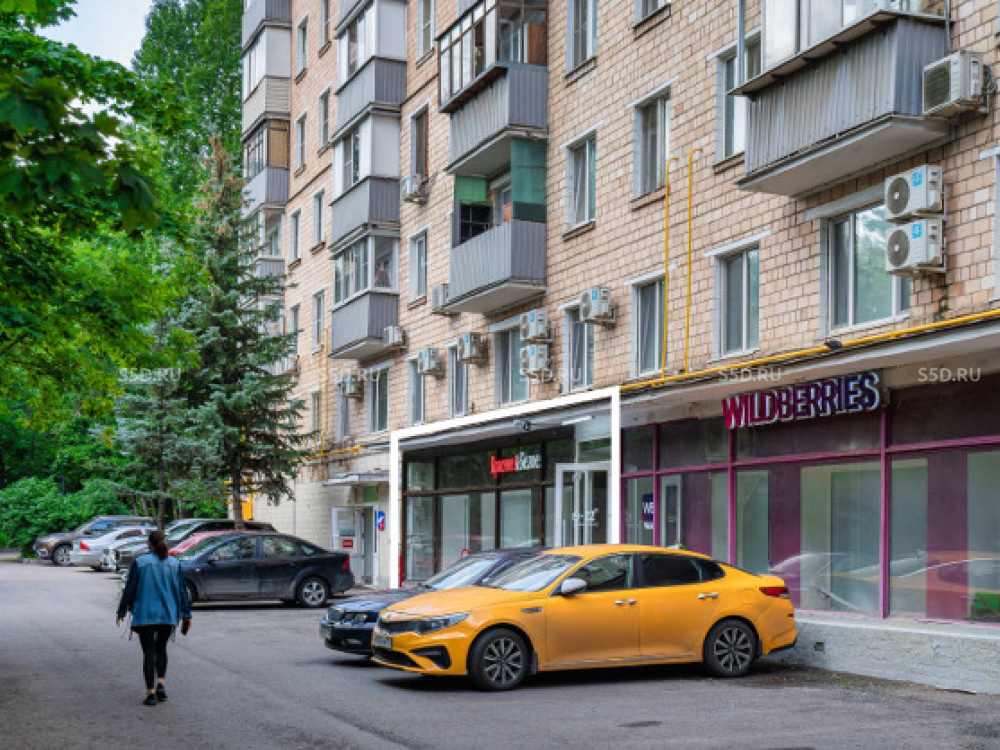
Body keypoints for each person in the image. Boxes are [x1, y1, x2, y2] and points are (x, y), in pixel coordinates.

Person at [116, 530, 192, 706]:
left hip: (145, 615)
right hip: (167, 614)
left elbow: (130, 588)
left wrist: (121, 611)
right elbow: (182, 591)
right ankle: (161, 685)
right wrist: (186, 616)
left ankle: (151, 694)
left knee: (149, 653)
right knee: (161, 649)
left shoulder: (141, 562)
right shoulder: (174, 563)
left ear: (149, 543)